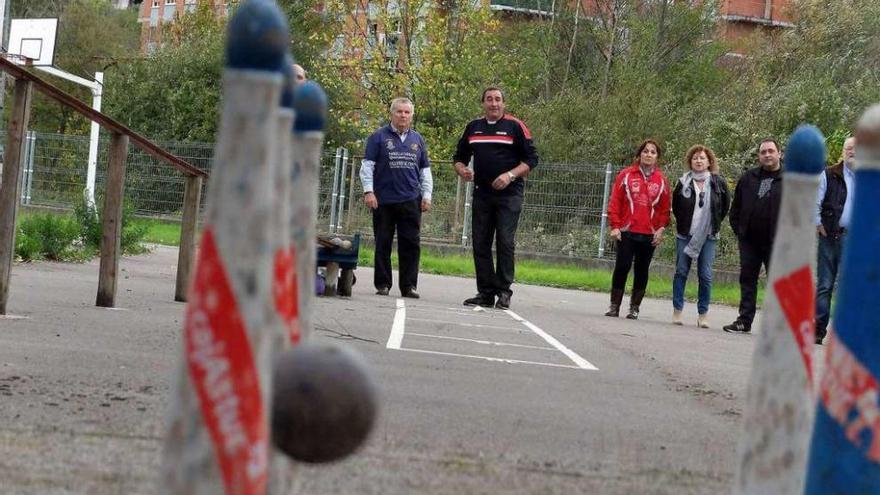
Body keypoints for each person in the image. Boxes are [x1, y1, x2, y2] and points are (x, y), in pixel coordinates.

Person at [453, 86, 538, 309]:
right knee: (480, 242)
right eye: (489, 99)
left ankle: (503, 291)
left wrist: (510, 175)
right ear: (483, 103)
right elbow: (459, 157)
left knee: (504, 241)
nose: (494, 103)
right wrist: (462, 170)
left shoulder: (515, 126)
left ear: (504, 103)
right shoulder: (473, 127)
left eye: (498, 99)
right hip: (482, 193)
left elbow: (531, 160)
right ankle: (485, 292)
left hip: (509, 195)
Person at [359, 97, 432, 298]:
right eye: (399, 112)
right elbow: (367, 167)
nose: (403, 115)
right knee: (383, 242)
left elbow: (425, 170)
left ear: (411, 115)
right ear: (391, 114)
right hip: (384, 200)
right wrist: (369, 191)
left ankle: (409, 286)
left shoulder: (418, 139)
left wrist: (426, 195)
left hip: (410, 200)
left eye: (407, 112)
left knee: (411, 244)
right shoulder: (378, 137)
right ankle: (382, 284)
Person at [605, 139, 671, 320]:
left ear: (657, 157)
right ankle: (614, 306)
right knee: (622, 266)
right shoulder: (626, 175)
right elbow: (615, 202)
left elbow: (665, 209)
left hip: (649, 233)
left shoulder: (662, 180)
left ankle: (634, 308)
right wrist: (615, 226)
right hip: (627, 231)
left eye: (653, 152)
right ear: (639, 154)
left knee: (642, 269)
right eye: (646, 151)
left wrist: (660, 229)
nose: (649, 154)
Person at [723, 138, 783, 334]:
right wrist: (740, 232)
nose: (767, 155)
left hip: (777, 242)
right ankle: (744, 320)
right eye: (763, 152)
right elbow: (736, 209)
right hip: (750, 241)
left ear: (779, 154)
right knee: (747, 279)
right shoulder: (748, 178)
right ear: (759, 156)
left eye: (771, 151)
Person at [670, 145, 731, 328]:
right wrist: (684, 225)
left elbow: (725, 206)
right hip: (685, 235)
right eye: (695, 158)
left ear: (709, 162)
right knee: (681, 272)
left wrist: (712, 225)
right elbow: (676, 205)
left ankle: (703, 314)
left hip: (709, 237)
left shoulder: (718, 182)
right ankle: (677, 311)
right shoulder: (683, 182)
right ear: (690, 162)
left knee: (705, 275)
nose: (698, 161)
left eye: (702, 158)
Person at [814, 136, 855, 345]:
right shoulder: (829, 174)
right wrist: (817, 224)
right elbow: (815, 201)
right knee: (825, 285)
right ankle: (818, 330)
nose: (853, 152)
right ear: (843, 151)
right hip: (830, 236)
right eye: (849, 148)